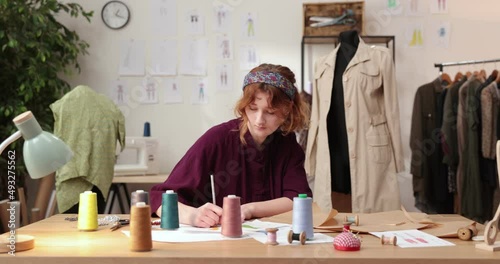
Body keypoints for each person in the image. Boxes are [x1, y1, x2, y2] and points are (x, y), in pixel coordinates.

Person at [150, 63, 312, 228]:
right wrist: (192, 215)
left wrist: (249, 209)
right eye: (253, 108)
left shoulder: (287, 143)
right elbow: (159, 199)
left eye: (270, 112)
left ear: (287, 109)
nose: (259, 120)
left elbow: (299, 200)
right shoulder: (217, 139)